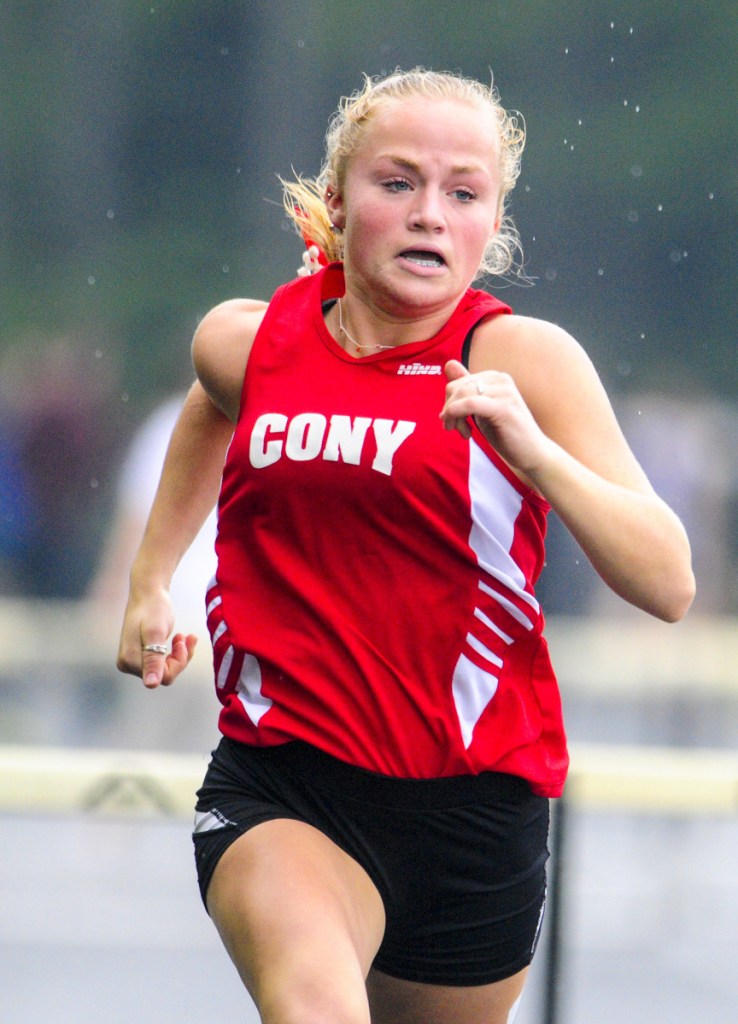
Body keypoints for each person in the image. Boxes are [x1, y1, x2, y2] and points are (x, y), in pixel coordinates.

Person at [116, 68, 695, 1024]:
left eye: (462, 193)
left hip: (471, 812)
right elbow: (210, 406)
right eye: (398, 184)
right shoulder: (250, 341)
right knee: (316, 1009)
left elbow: (669, 581)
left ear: (491, 222)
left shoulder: (521, 361)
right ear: (338, 203)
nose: (430, 214)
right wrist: (150, 580)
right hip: (284, 781)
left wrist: (536, 454)